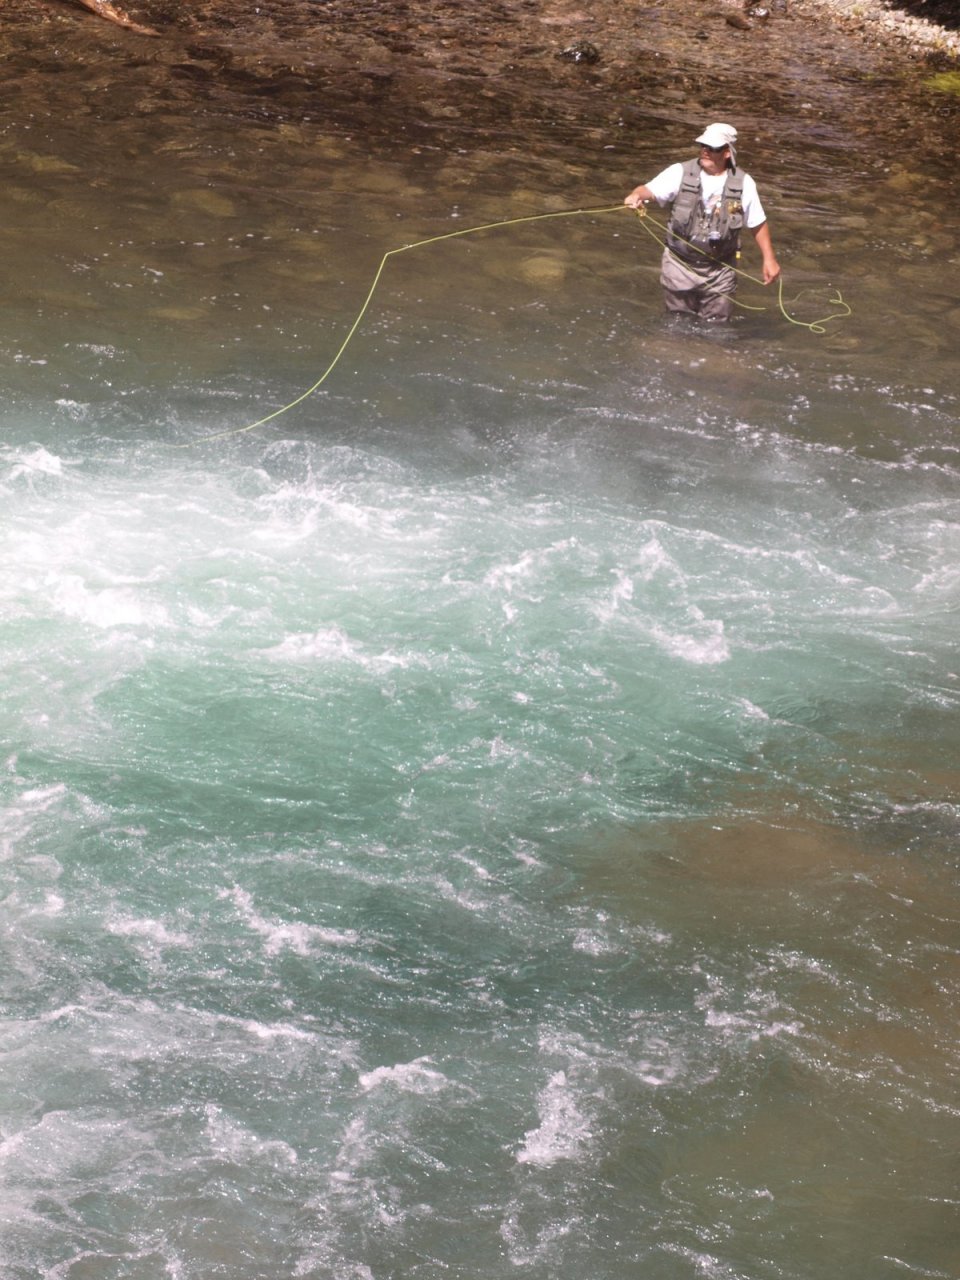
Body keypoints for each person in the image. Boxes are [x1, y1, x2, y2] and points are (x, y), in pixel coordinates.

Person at [624, 123, 780, 322]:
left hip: (720, 270)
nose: (705, 151)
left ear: (726, 153)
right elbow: (648, 190)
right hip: (679, 264)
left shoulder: (744, 183)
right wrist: (635, 196)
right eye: (703, 146)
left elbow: (757, 222)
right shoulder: (679, 172)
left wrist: (769, 259)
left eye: (712, 148)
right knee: (677, 323)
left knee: (716, 329)